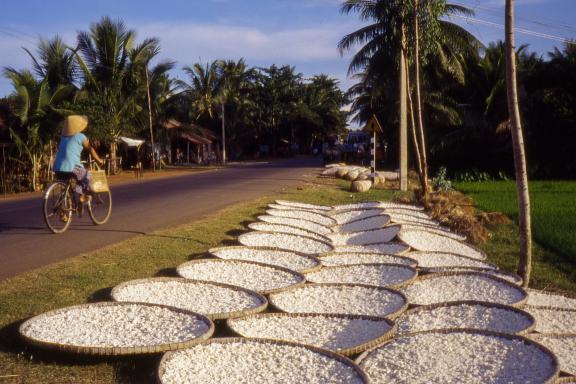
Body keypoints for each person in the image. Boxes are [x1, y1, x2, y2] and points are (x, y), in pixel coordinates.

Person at [53, 115, 104, 207]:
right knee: (85, 176)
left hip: (58, 167)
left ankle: (63, 212)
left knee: (65, 188)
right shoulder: (80, 136)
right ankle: (82, 197)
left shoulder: (63, 137)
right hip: (72, 167)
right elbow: (90, 149)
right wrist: (99, 160)